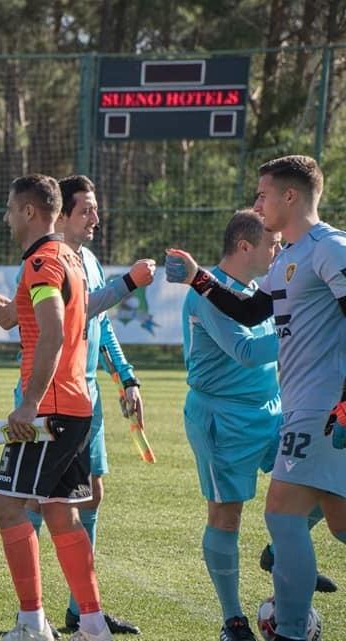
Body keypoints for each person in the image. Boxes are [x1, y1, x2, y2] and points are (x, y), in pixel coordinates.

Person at [167, 155, 346, 641]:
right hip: (236, 419)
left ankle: (289, 612)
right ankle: (248, 612)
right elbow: (249, 317)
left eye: (262, 193)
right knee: (313, 517)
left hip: (317, 409)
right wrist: (197, 277)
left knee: (295, 515)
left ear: (290, 196)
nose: (257, 202)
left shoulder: (329, 249)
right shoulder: (289, 259)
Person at [0, 174, 122, 641]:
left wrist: (29, 404)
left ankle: (33, 623)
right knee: (58, 512)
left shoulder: (42, 263)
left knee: (5, 507)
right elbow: (10, 317)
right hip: (76, 406)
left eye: (10, 209)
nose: (7, 217)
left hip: (50, 412)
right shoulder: (66, 256)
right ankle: (91, 623)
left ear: (29, 211)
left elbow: (51, 332)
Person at [15, 175, 145, 636]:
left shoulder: (84, 258)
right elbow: (77, 312)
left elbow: (101, 326)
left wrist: (125, 377)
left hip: (82, 397)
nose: (95, 217)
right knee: (28, 501)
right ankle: (33, 612)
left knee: (85, 497)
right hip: (52, 396)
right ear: (63, 214)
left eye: (96, 208)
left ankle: (79, 610)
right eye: (86, 209)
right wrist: (130, 282)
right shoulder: (47, 260)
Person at [181, 210, 284, 641]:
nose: (278, 251)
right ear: (245, 246)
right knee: (226, 515)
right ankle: (233, 620)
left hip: (272, 410)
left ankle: (282, 552)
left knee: (321, 482)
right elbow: (245, 352)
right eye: (272, 244)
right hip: (222, 419)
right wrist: (304, 330)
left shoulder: (257, 290)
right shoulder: (207, 295)